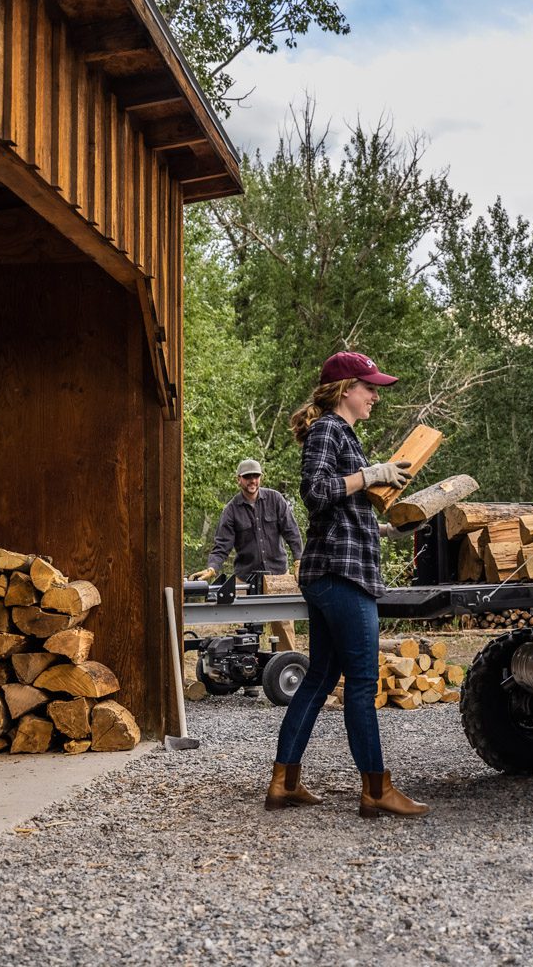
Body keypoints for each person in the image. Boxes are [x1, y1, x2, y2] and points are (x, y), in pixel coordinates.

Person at [266, 351, 430, 819]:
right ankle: (377, 790)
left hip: (335, 568)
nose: (375, 395)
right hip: (340, 576)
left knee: (319, 678)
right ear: (345, 390)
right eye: (369, 387)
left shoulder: (341, 434)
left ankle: (284, 783)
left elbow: (340, 513)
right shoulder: (328, 430)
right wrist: (371, 474)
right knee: (360, 683)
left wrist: (382, 527)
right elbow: (316, 493)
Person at [191, 459, 304, 584]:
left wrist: (299, 560)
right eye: (247, 477)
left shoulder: (275, 499)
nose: (252, 480)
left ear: (261, 477)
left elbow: (292, 532)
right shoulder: (231, 510)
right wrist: (212, 568)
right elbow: (222, 546)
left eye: (256, 476)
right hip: (245, 580)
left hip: (279, 575)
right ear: (238, 479)